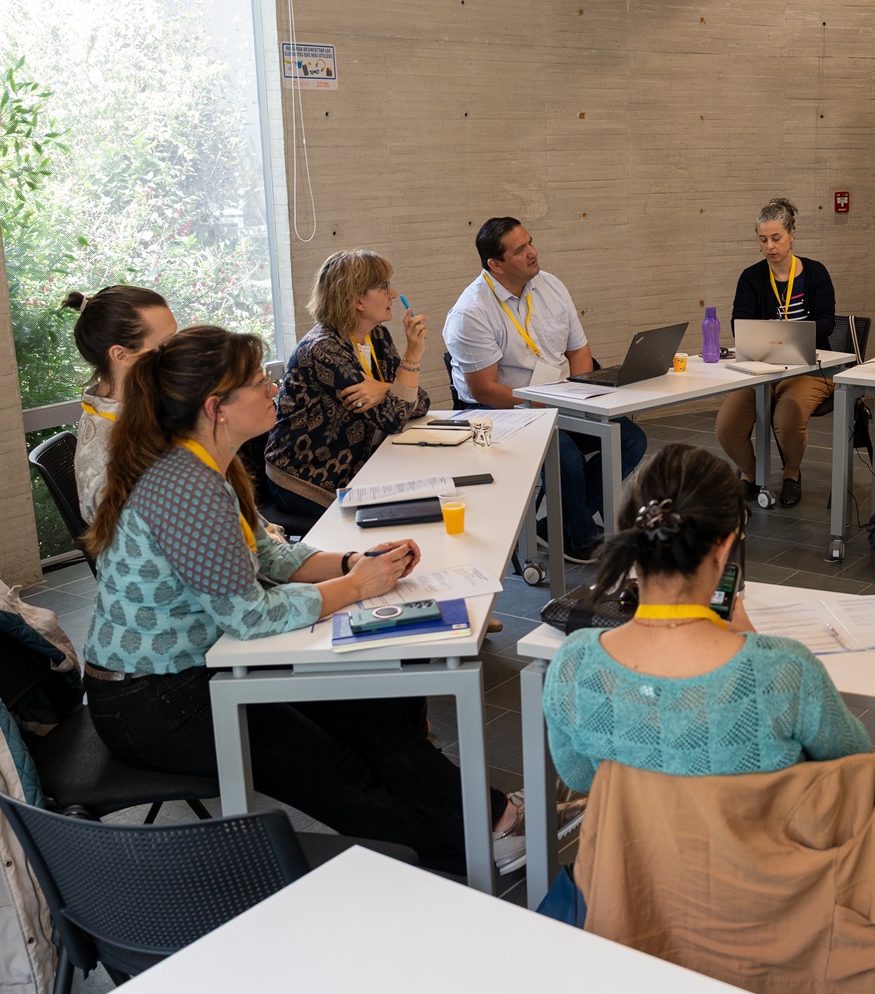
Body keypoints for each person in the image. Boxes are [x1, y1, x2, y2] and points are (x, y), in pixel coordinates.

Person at [81, 325, 580, 874]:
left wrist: (354, 564)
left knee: (379, 712)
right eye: (257, 381)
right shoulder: (187, 485)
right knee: (332, 769)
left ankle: (493, 819)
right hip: (154, 701)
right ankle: (470, 849)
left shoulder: (203, 466)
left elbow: (268, 560)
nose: (274, 387)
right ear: (216, 407)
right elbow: (250, 616)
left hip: (195, 670)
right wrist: (356, 588)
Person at [542, 443, 875, 825]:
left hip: (639, 880)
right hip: (764, 884)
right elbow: (852, 759)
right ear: (724, 550)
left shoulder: (574, 663)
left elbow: (580, 777)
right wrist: (754, 646)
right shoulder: (783, 670)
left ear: (631, 536)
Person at [443, 216, 646, 563]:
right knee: (562, 451)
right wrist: (545, 403)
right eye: (521, 250)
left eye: (530, 243)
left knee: (629, 438)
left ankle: (558, 524)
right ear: (496, 264)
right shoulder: (472, 312)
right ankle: (579, 538)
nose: (533, 253)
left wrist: (582, 395)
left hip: (559, 399)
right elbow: (484, 391)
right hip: (501, 412)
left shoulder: (550, 285)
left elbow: (579, 350)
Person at [265, 250, 431, 518]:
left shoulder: (377, 335)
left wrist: (385, 389)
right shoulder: (323, 350)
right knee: (400, 515)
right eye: (383, 287)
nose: (392, 293)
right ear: (356, 300)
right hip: (307, 479)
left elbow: (420, 401)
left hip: (355, 465)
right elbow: (394, 418)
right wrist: (412, 354)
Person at [713, 197, 837, 508]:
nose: (770, 246)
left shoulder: (815, 273)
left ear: (792, 234)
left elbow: (826, 323)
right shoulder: (752, 277)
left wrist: (784, 335)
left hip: (809, 366)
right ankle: (753, 474)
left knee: (787, 416)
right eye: (763, 239)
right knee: (727, 427)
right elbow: (739, 322)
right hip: (763, 367)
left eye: (776, 238)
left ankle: (792, 474)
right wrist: (772, 340)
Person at [61, 285, 178, 522]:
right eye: (165, 345)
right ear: (121, 355)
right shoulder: (110, 455)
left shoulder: (141, 403)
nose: (178, 352)